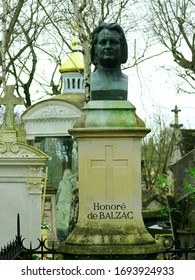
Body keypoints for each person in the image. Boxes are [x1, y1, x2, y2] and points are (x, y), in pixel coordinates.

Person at [90, 22, 128, 100]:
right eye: (103, 42)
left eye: (113, 42)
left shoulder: (124, 81)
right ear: (95, 48)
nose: (108, 46)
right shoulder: (92, 81)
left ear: (122, 47)